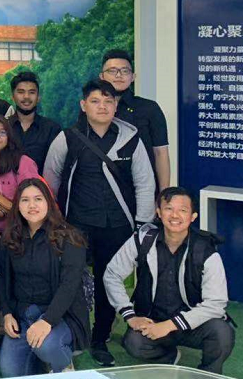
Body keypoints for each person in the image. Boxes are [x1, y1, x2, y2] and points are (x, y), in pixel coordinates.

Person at [43, 79, 156, 366]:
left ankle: (100, 338)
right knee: (72, 281)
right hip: (76, 225)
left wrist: (142, 224)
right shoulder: (67, 138)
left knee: (109, 280)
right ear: (84, 105)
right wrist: (52, 221)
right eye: (95, 101)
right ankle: (74, 335)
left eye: (108, 101)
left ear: (116, 105)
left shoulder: (131, 139)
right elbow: (50, 181)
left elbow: (145, 182)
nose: (102, 106)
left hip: (117, 224)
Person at [104, 187, 234, 374]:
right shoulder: (143, 240)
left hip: (194, 323)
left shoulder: (206, 250)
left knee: (222, 333)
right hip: (153, 320)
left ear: (193, 217)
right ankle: (168, 358)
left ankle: (207, 374)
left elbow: (216, 304)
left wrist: (169, 325)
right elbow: (112, 274)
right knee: (134, 342)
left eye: (183, 210)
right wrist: (130, 315)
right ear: (159, 212)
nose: (175, 215)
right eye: (168, 208)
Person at [0, 178, 90, 377]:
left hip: (60, 316)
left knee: (47, 346)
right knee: (10, 372)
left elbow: (69, 285)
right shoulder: (11, 238)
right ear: (17, 205)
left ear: (48, 202)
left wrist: (47, 321)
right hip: (23, 315)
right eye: (25, 200)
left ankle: (61, 362)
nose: (32, 205)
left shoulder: (69, 237)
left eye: (38, 199)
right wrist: (7, 314)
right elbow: (4, 280)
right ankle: (40, 357)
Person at [99, 49, 170, 193]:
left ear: (133, 77)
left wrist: (164, 194)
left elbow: (160, 153)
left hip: (143, 188)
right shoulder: (93, 108)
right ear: (102, 76)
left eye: (125, 71)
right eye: (112, 71)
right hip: (102, 188)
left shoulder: (149, 108)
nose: (119, 75)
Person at [8, 71, 61, 172]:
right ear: (13, 97)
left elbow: (56, 167)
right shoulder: (4, 127)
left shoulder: (52, 129)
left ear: (38, 97)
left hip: (40, 182)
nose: (26, 96)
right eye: (21, 92)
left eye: (32, 92)